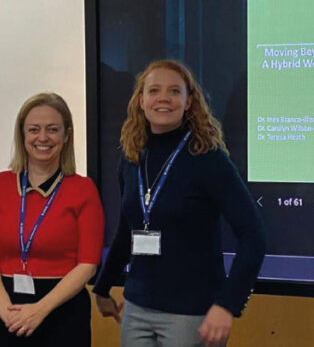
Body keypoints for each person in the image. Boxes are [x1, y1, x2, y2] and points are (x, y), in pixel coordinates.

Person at [92, 60, 266, 347]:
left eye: (174, 91)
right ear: (141, 100)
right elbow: (128, 230)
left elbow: (254, 237)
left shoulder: (208, 159)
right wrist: (102, 287)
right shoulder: (132, 157)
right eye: (154, 90)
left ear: (188, 102)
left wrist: (227, 305)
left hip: (192, 314)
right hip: (136, 309)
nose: (164, 98)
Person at [0, 93, 104, 345]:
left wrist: (40, 309)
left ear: (66, 135)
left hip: (63, 310)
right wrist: (3, 309)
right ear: (22, 135)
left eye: (52, 129)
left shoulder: (83, 189)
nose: (42, 138)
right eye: (34, 129)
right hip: (8, 308)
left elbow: (88, 264)